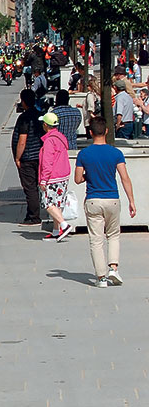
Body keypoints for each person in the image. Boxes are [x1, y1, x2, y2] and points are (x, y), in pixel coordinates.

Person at [75, 117, 137, 287]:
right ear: (107, 131)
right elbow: (125, 178)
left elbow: (78, 179)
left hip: (93, 199)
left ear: (90, 132)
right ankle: (113, 268)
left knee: (96, 239)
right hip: (112, 199)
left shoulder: (84, 154)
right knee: (113, 235)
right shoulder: (116, 153)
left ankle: (101, 278)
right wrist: (131, 201)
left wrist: (89, 175)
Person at [37, 113, 73, 241]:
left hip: (53, 177)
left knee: (47, 203)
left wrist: (43, 179)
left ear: (46, 125)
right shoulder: (61, 138)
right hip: (63, 175)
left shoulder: (49, 141)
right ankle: (56, 231)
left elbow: (47, 162)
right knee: (57, 204)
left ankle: (64, 225)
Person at [13, 89, 44, 226]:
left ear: (24, 101)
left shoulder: (25, 118)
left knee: (30, 188)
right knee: (35, 186)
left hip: (28, 158)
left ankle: (34, 216)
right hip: (40, 156)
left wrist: (18, 157)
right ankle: (31, 212)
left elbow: (22, 140)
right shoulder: (39, 115)